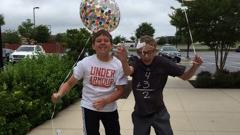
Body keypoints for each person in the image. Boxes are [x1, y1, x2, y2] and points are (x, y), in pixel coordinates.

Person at [116, 35, 203, 135]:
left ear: (155, 51)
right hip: (141, 113)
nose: (146, 55)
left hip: (159, 111)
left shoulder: (163, 62)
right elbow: (128, 71)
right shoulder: (136, 62)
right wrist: (123, 60)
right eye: (142, 52)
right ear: (138, 52)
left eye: (149, 52)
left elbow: (185, 77)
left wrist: (195, 67)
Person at [51, 29, 128, 135]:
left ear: (111, 45)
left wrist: (106, 101)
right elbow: (70, 83)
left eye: (106, 40)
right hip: (89, 107)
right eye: (99, 40)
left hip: (109, 108)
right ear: (93, 46)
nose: (102, 42)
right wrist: (59, 94)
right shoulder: (85, 63)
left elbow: (120, 90)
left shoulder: (118, 64)